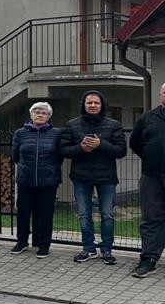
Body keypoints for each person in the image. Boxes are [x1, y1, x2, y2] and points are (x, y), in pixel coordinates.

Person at [59, 90, 127, 265]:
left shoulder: (114, 125)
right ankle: (88, 249)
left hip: (106, 178)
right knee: (84, 214)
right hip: (81, 177)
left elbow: (121, 151)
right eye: (89, 102)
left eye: (96, 103)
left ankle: (107, 250)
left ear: (102, 105)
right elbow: (63, 150)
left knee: (107, 215)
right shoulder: (72, 124)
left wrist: (100, 144)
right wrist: (81, 148)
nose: (93, 105)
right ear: (84, 105)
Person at [10, 102, 64, 259]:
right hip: (25, 180)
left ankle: (44, 245)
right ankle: (22, 241)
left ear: (49, 116)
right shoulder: (20, 133)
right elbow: (15, 156)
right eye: (37, 112)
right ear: (31, 114)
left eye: (44, 113)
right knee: (23, 212)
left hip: (48, 180)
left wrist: (50, 169)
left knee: (45, 213)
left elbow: (60, 155)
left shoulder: (56, 133)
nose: (40, 114)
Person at [130, 83, 165, 278]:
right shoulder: (147, 118)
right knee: (151, 218)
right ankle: (149, 259)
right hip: (151, 176)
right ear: (160, 95)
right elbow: (135, 143)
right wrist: (152, 158)